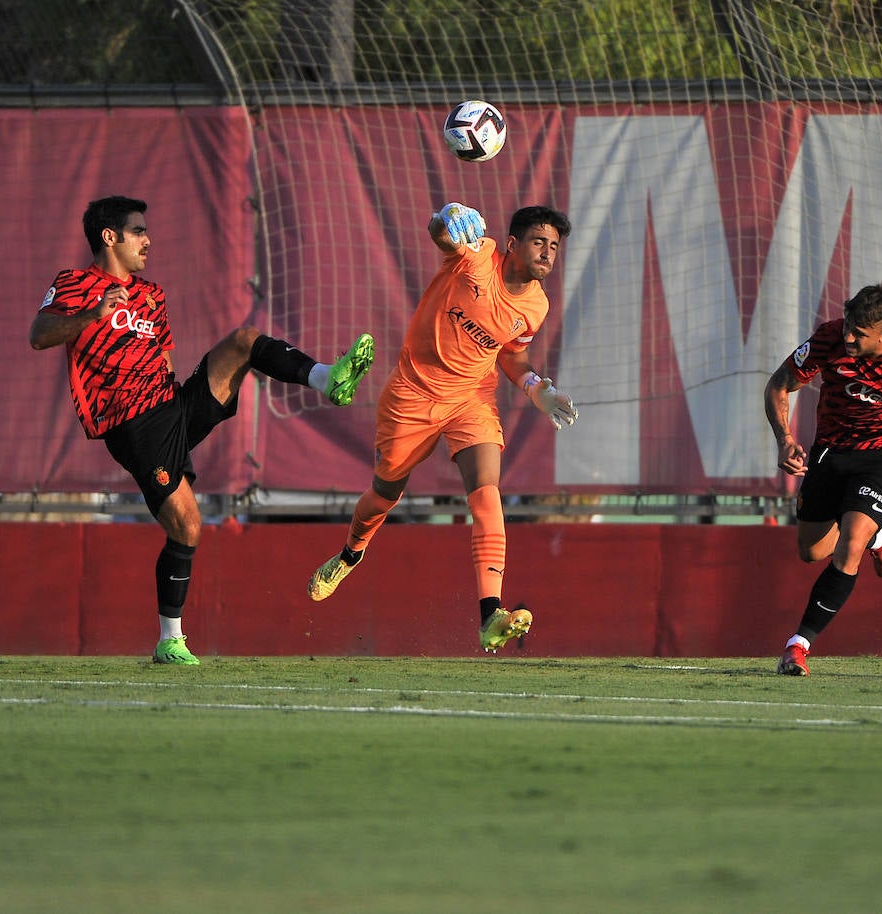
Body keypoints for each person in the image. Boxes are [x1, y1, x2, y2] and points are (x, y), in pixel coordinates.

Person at [31, 195, 374, 665]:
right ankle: (169, 640)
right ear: (109, 237)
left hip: (169, 404)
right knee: (187, 527)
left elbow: (164, 356)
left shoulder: (152, 294)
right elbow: (39, 334)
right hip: (131, 424)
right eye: (138, 231)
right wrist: (92, 315)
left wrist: (181, 400)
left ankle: (327, 378)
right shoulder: (75, 283)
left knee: (245, 341)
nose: (148, 240)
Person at [307, 202, 577, 652]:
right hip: (412, 393)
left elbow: (511, 352)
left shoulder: (536, 305)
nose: (547, 253)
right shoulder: (478, 255)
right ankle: (350, 554)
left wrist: (534, 388)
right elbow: (440, 232)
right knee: (384, 494)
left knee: (487, 492)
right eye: (538, 242)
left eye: (554, 246)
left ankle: (491, 614)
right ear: (512, 244)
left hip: (471, 397)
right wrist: (445, 215)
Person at [764, 283, 882, 676]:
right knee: (812, 552)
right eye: (848, 326)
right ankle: (880, 533)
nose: (848, 337)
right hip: (830, 452)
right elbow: (779, 384)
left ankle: (797, 646)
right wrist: (784, 439)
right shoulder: (828, 339)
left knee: (848, 549)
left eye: (859, 333)